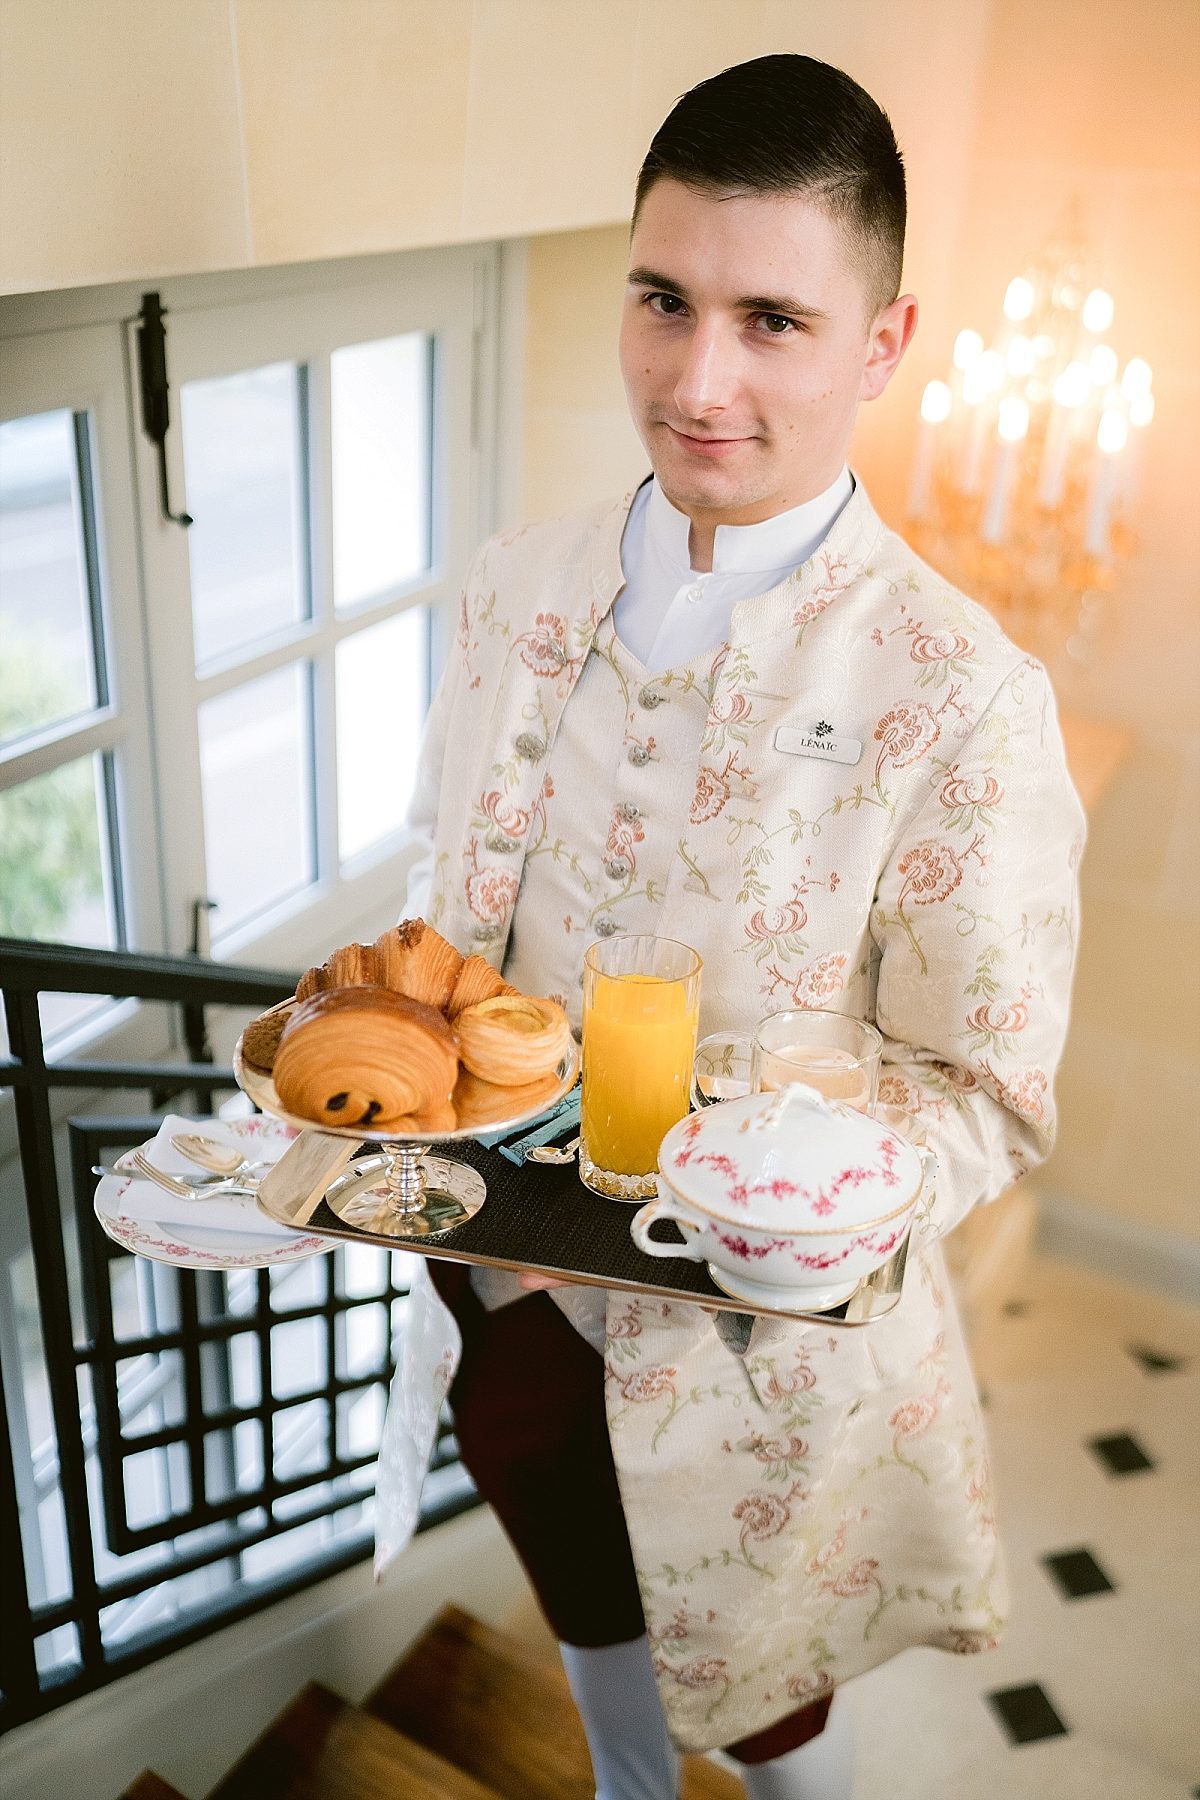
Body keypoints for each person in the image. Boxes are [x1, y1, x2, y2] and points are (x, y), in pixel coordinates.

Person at [374, 53, 1083, 1800]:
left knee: (776, 1722)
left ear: (883, 343)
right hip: (497, 1312)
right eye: (663, 301)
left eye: (774, 319)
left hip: (752, 1385)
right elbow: (441, 879)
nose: (700, 381)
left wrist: (746, 1196)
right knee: (591, 1642)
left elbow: (984, 1088)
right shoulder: (509, 585)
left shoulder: (965, 697)